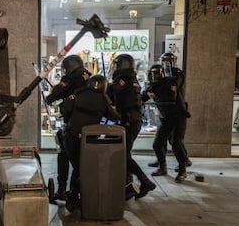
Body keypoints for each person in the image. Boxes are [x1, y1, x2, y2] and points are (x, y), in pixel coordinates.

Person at [61, 74, 120, 212]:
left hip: (71, 137)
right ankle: (75, 197)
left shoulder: (78, 94)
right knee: (83, 168)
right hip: (89, 141)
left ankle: (74, 196)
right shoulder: (103, 100)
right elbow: (115, 117)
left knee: (77, 167)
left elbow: (63, 108)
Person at [107, 54, 156, 199]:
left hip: (128, 121)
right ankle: (128, 186)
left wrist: (102, 86)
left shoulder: (123, 79)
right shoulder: (132, 79)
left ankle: (144, 181)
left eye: (117, 65)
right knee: (125, 153)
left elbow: (112, 91)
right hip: (134, 120)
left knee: (123, 155)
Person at [46, 54, 90, 202]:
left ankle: (64, 190)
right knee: (81, 161)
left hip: (73, 125)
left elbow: (58, 91)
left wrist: (49, 98)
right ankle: (77, 191)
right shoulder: (88, 76)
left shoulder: (70, 78)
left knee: (64, 154)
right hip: (90, 126)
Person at [143, 64, 189, 182]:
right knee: (157, 144)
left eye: (157, 73)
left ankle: (182, 169)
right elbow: (143, 96)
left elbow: (170, 95)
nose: (154, 76)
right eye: (153, 74)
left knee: (176, 143)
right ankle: (162, 167)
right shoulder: (152, 86)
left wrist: (156, 94)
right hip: (166, 119)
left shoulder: (170, 82)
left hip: (178, 117)